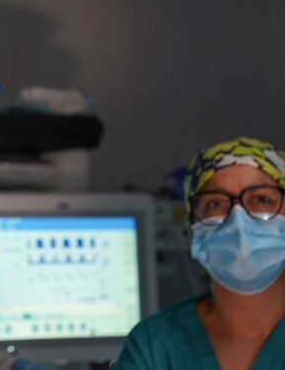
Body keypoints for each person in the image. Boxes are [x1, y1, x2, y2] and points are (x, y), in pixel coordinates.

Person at [111, 137, 285, 369]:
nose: (238, 220)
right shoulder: (155, 345)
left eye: (262, 199)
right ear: (193, 226)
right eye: (216, 203)